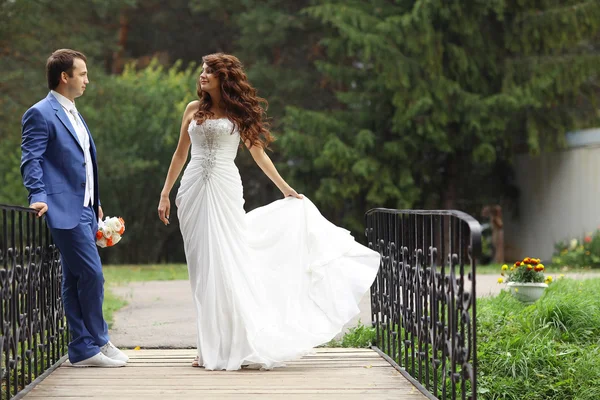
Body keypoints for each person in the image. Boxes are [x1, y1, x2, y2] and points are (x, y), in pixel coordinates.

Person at [157, 53, 380, 371]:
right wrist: (166, 192)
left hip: (225, 187)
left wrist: (285, 188)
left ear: (225, 78)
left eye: (210, 71)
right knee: (202, 267)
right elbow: (180, 153)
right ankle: (209, 348)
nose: (202, 75)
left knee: (228, 263)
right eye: (203, 70)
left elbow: (259, 155)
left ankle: (240, 343)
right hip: (192, 190)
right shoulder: (193, 110)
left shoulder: (238, 113)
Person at [20, 49, 128, 367]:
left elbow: (81, 163)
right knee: (92, 275)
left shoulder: (74, 112)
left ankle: (82, 347)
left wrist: (94, 203)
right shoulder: (40, 113)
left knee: (73, 278)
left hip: (84, 209)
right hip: (61, 209)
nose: (87, 80)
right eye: (82, 74)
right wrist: (37, 194)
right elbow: (32, 158)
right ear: (64, 76)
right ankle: (99, 340)